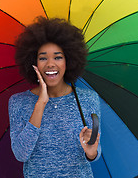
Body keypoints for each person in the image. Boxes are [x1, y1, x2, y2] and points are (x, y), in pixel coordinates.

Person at [8, 17, 101, 178]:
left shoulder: (88, 99)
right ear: (33, 62)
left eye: (58, 57)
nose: (50, 64)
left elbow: (95, 149)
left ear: (69, 60)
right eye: (43, 57)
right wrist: (41, 104)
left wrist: (92, 152)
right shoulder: (18, 102)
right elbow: (21, 154)